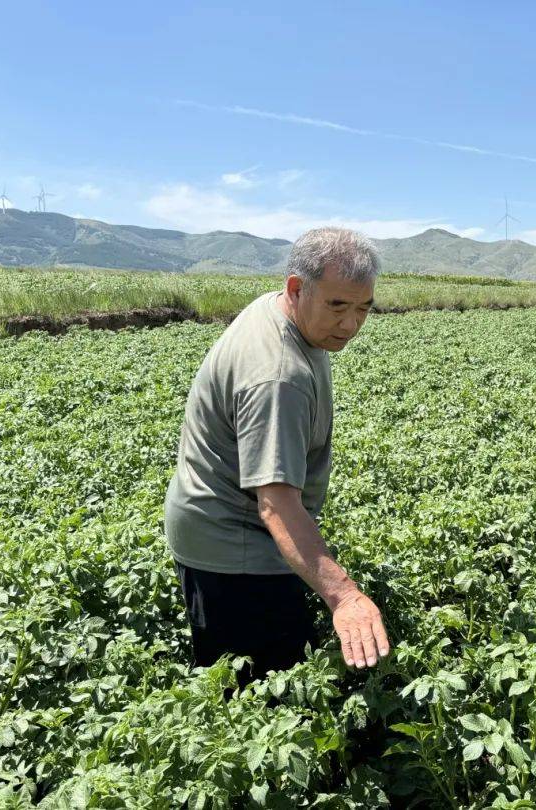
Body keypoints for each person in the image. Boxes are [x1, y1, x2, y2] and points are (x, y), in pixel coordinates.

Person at [164, 227, 390, 685]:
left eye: (363, 308)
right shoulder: (277, 377)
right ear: (296, 288)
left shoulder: (284, 310)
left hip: (226, 532)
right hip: (234, 550)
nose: (350, 324)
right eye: (337, 306)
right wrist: (345, 597)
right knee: (260, 691)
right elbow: (277, 504)